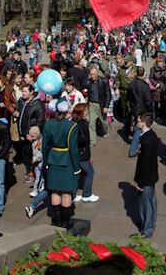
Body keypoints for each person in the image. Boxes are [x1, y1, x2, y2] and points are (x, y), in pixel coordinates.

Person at [41, 98, 80, 229]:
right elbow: (73, 149)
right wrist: (76, 167)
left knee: (55, 191)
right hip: (66, 160)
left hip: (52, 159)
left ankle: (56, 219)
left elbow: (45, 145)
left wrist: (46, 160)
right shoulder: (72, 126)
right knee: (66, 192)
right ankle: (65, 220)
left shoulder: (48, 124)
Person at [130, 113, 159, 238]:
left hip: (146, 179)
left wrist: (140, 184)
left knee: (145, 205)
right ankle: (149, 224)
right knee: (151, 202)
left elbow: (146, 165)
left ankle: (147, 230)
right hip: (151, 177)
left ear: (143, 123)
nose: (137, 123)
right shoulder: (150, 136)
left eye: (138, 121)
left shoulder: (146, 142)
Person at [71, 103, 99, 203]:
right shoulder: (76, 124)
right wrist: (84, 140)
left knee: (77, 174)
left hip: (82, 153)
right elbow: (76, 140)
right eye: (86, 110)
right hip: (81, 154)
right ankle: (87, 194)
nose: (87, 112)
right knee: (90, 172)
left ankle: (73, 194)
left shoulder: (81, 121)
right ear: (81, 112)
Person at [86, 66, 110, 145]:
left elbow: (108, 94)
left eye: (94, 74)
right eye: (91, 74)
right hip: (92, 104)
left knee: (104, 122)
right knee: (91, 123)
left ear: (97, 74)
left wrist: (106, 106)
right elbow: (88, 92)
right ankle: (92, 141)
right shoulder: (88, 82)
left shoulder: (103, 81)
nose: (92, 76)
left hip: (101, 104)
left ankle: (107, 130)